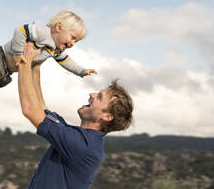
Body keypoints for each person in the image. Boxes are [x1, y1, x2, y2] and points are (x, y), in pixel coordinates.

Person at [18, 42, 134, 189]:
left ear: (107, 117)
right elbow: (40, 108)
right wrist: (35, 66)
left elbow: (29, 109)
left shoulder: (84, 146)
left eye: (99, 97)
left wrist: (24, 63)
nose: (91, 94)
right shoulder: (78, 137)